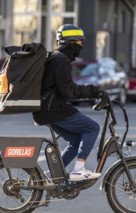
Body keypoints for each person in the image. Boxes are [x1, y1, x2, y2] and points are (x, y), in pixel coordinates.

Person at [32, 24, 108, 181]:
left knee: (75, 141)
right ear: (71, 42)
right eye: (80, 42)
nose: (81, 45)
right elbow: (68, 90)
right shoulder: (61, 60)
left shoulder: (56, 57)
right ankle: (78, 169)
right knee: (92, 128)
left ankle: (52, 176)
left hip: (46, 109)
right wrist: (94, 91)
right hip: (54, 109)